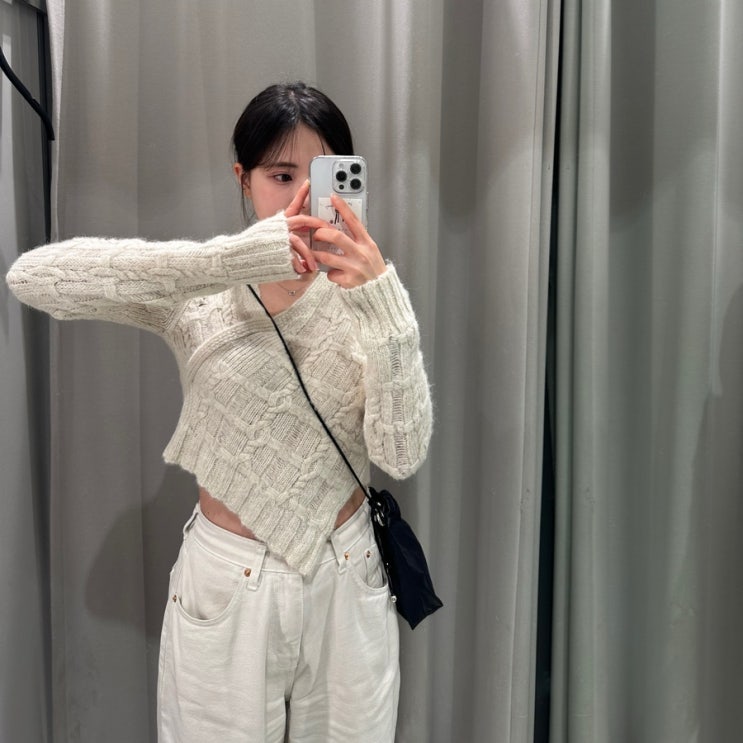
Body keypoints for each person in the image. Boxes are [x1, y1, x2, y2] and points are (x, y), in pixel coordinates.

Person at [5, 81, 432, 742]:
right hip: (229, 581)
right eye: (279, 175)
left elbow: (400, 455)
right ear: (243, 179)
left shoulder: (369, 299)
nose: (299, 194)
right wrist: (234, 259)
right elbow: (34, 278)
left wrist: (385, 309)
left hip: (347, 577)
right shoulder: (200, 291)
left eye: (320, 174)